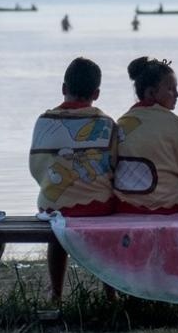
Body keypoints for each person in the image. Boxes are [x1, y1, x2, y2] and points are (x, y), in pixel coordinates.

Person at [28, 56, 115, 300]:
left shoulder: (45, 121)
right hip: (99, 206)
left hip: (54, 205)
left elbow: (36, 167)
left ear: (64, 88)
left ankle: (56, 292)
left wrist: (52, 185)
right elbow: (114, 167)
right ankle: (110, 293)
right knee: (106, 231)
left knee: (57, 222)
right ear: (96, 94)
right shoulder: (106, 123)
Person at [114, 57, 178, 214]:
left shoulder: (122, 122)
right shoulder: (173, 122)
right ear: (151, 93)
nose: (177, 94)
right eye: (171, 89)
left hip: (126, 205)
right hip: (169, 205)